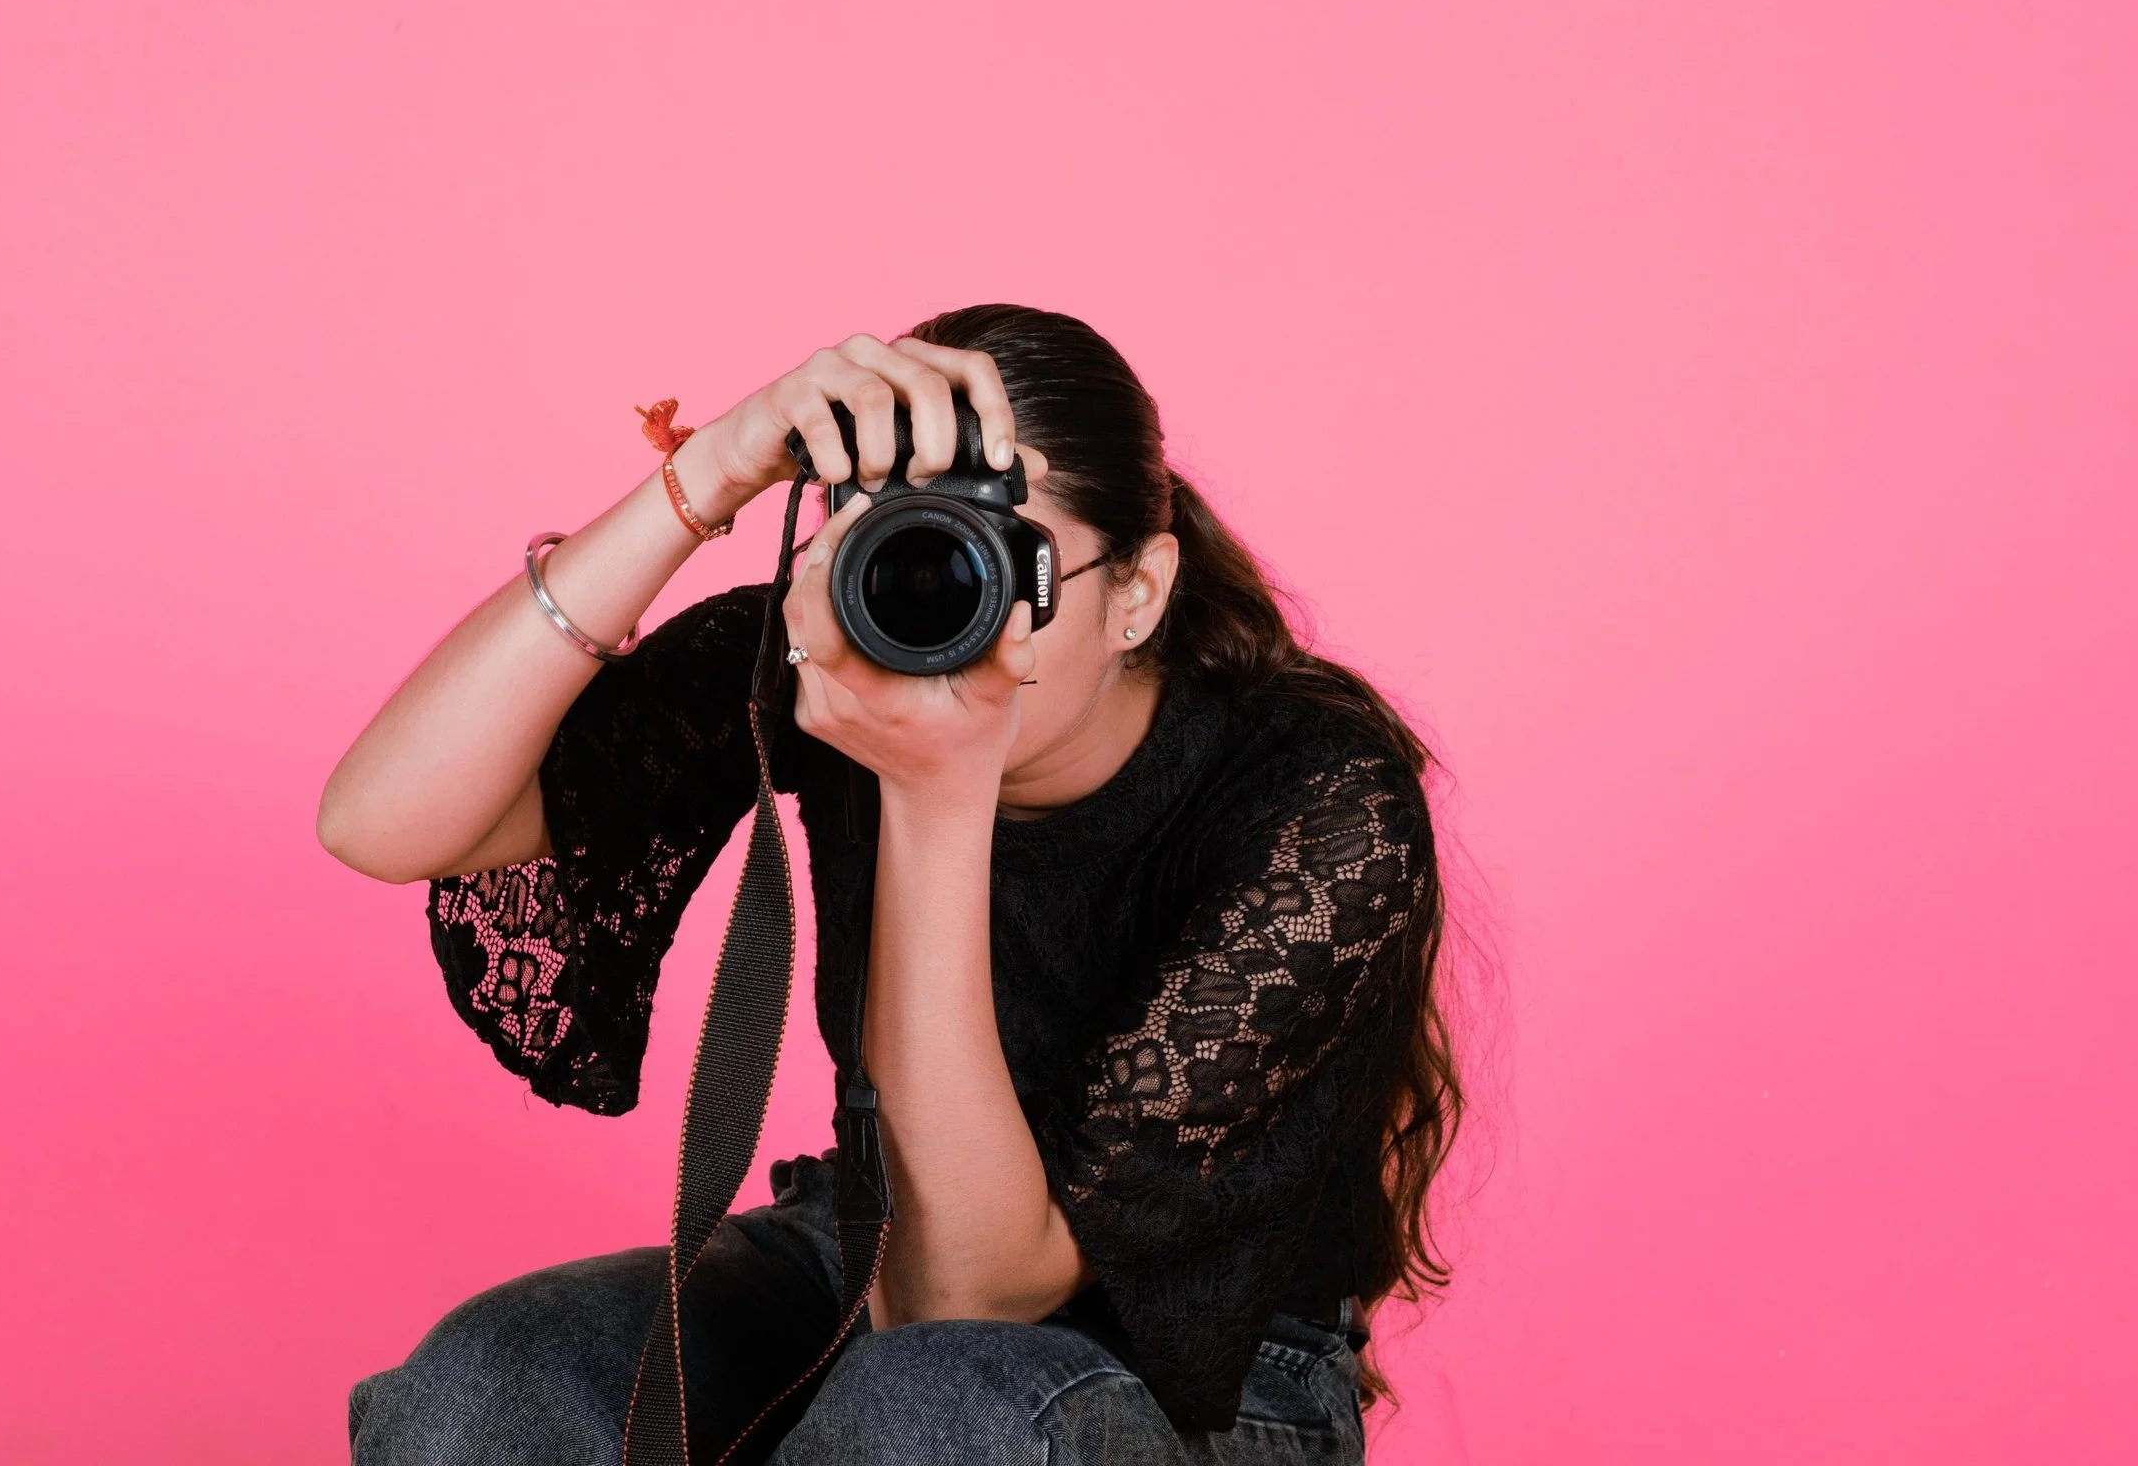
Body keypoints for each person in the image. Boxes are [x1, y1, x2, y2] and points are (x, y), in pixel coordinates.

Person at [318, 304, 1462, 1464]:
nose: (936, 603)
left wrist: (933, 791)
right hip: (873, 1244)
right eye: (896, 544)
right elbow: (380, 818)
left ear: (1138, 591)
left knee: (929, 1410)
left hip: (1217, 1367)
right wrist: (713, 468)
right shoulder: (834, 655)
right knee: (487, 1379)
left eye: (995, 558)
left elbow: (967, 1296)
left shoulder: (1315, 789)